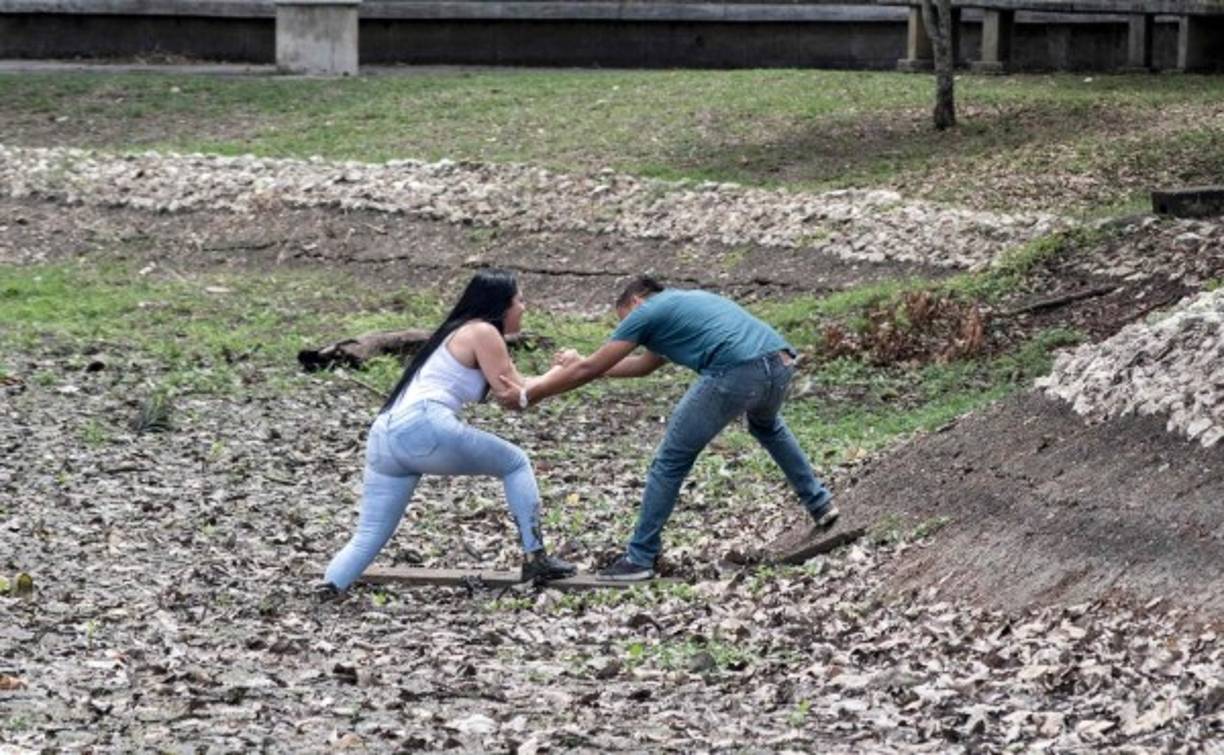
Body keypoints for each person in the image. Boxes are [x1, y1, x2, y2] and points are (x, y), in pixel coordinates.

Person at [500, 275, 837, 581]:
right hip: (779, 363)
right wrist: (583, 365)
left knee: (671, 459)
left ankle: (639, 558)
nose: (630, 330)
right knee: (767, 427)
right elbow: (640, 366)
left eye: (625, 322)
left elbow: (590, 368)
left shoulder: (648, 312)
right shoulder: (684, 304)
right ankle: (820, 503)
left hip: (735, 370)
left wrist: (530, 394)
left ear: (635, 302)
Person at [318, 270, 576, 598]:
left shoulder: (457, 331)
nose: (524, 307)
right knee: (515, 462)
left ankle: (328, 590)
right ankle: (535, 558)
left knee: (368, 535)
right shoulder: (483, 331)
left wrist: (557, 372)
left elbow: (516, 383)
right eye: (520, 300)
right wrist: (565, 370)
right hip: (421, 425)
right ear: (502, 304)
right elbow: (514, 395)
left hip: (385, 435)